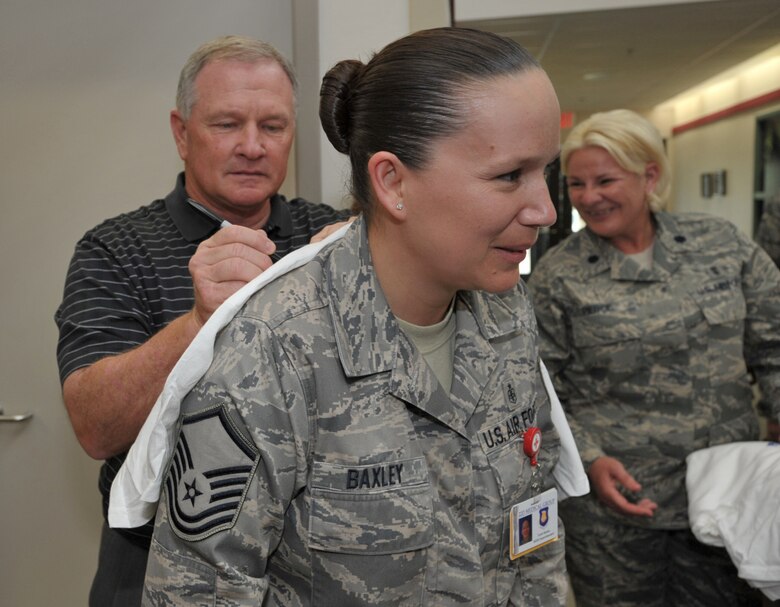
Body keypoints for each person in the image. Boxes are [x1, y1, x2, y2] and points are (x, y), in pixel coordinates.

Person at [141, 27, 576, 606]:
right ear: (393, 182)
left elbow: (535, 538)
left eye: (545, 171)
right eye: (507, 176)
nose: (545, 210)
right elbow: (198, 593)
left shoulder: (505, 313)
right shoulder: (274, 351)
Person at [55, 35, 349, 607]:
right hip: (156, 557)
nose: (252, 146)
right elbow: (95, 426)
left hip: (312, 557)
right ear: (181, 132)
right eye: (226, 124)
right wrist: (198, 322)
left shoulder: (330, 235)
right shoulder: (115, 249)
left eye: (273, 126)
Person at [528, 108, 780, 606]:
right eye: (577, 184)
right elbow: (538, 389)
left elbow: (774, 347)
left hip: (728, 492)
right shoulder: (560, 276)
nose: (589, 197)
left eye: (605, 180)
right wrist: (591, 460)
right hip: (618, 511)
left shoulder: (720, 245)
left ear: (650, 176)